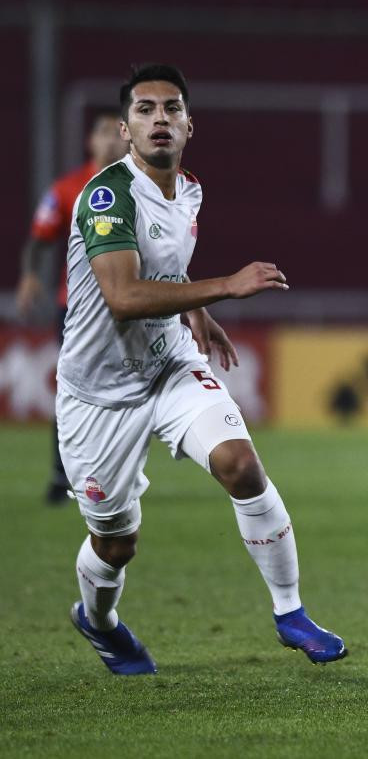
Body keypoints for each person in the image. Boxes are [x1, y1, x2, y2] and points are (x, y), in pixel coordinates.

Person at [60, 63, 346, 674]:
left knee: (240, 465)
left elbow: (162, 272)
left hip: (167, 366)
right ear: (124, 129)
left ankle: (291, 612)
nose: (159, 118)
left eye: (171, 109)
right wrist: (226, 290)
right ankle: (100, 621)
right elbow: (123, 296)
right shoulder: (107, 195)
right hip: (98, 397)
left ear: (189, 125)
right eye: (145, 110)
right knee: (116, 542)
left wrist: (196, 313)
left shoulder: (188, 189)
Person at [16, 109, 127, 505]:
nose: (111, 140)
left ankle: (116, 474)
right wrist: (30, 275)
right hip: (78, 309)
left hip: (130, 307)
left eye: (117, 132)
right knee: (73, 391)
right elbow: (40, 238)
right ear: (91, 142)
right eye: (103, 132)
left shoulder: (142, 186)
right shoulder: (67, 189)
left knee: (127, 392)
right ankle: (60, 475)